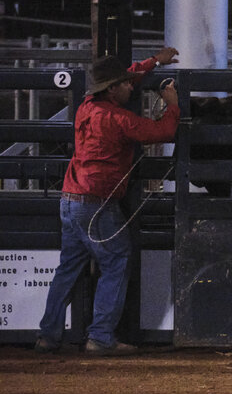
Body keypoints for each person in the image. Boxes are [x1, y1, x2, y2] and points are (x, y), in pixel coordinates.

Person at [36, 48, 180, 355]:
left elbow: (127, 76)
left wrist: (153, 61)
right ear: (112, 89)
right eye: (125, 83)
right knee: (117, 261)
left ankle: (48, 335)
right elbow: (163, 131)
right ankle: (100, 336)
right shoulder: (118, 119)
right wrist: (172, 107)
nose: (131, 85)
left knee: (68, 268)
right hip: (96, 203)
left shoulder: (87, 107)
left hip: (71, 198)